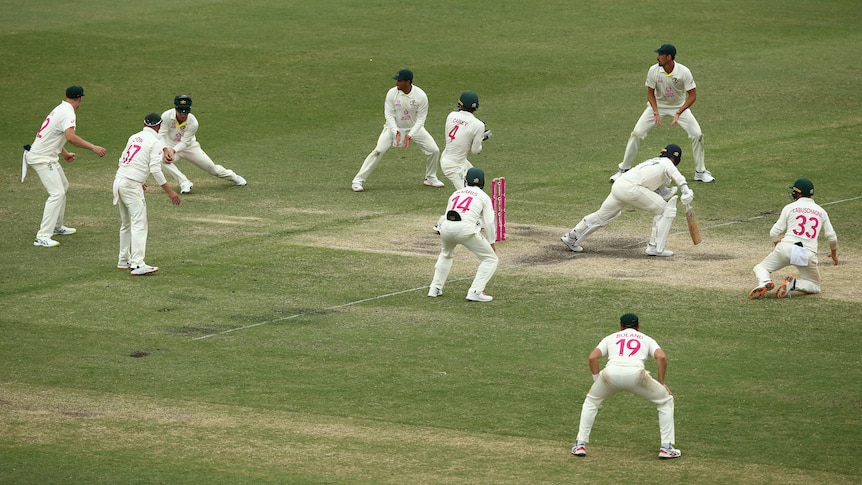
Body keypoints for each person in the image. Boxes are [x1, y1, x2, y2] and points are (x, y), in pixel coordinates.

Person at [572, 313, 680, 459]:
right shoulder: (647, 339)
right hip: (636, 375)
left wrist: (597, 380)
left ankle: (580, 444)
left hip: (610, 374)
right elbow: (661, 357)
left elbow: (592, 357)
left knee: (591, 402)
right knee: (665, 401)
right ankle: (666, 447)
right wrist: (662, 383)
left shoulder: (610, 337)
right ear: (639, 327)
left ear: (621, 327)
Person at [561, 144, 694, 257]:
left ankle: (572, 237)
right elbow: (676, 174)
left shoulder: (653, 162)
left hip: (619, 185)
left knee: (603, 215)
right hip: (632, 189)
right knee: (665, 211)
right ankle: (655, 248)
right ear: (676, 158)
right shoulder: (667, 164)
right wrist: (685, 189)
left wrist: (670, 191)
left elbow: (657, 190)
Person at [610, 44, 714, 184]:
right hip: (657, 107)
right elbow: (650, 93)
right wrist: (655, 112)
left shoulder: (683, 72)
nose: (657, 57)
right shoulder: (653, 70)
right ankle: (623, 170)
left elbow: (692, 95)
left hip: (678, 107)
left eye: (660, 54)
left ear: (669, 57)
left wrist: (679, 112)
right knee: (636, 134)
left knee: (697, 135)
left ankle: (700, 172)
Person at [23, 85, 107, 247]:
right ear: (81, 99)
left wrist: (65, 153)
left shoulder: (60, 109)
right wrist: (93, 147)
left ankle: (56, 227)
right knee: (57, 193)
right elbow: (70, 137)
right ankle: (42, 236)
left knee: (63, 186)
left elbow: (53, 135)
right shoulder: (68, 112)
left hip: (47, 155)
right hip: (42, 158)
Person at [351, 69, 444, 192]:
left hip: (413, 128)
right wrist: (396, 131)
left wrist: (410, 135)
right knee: (378, 150)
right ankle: (357, 181)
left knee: (434, 150)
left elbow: (421, 119)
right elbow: (388, 114)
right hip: (392, 127)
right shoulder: (392, 93)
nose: (396, 84)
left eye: (399, 81)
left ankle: (430, 178)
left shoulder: (420, 96)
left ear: (408, 82)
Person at [114, 113, 181, 276]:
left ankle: (123, 260)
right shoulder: (155, 142)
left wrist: (140, 178)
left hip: (119, 180)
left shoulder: (134, 137)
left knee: (127, 223)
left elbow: (123, 160)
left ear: (144, 123)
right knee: (139, 223)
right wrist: (170, 191)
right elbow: (156, 169)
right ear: (158, 127)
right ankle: (137, 264)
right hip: (131, 184)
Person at [749, 178, 838, 299]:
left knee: (761, 267)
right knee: (815, 286)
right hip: (806, 253)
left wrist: (777, 243)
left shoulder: (789, 207)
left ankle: (764, 282)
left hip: (786, 248)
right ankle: (793, 284)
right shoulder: (821, 211)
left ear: (799, 193)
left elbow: (773, 233)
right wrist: (833, 253)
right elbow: (832, 237)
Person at [428, 167, 498, 302]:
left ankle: (434, 288)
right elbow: (489, 222)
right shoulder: (484, 197)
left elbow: (446, 215)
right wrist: (492, 242)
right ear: (483, 183)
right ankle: (475, 291)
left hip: (446, 227)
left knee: (446, 255)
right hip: (465, 229)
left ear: (466, 180)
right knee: (491, 259)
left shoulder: (456, 193)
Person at [158, 95, 247, 194]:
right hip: (170, 146)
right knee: (161, 160)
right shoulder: (166, 116)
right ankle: (184, 182)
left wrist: (173, 150)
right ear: (175, 109)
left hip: (190, 147)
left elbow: (185, 142)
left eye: (186, 112)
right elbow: (161, 135)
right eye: (180, 112)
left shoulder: (193, 122)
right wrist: (166, 150)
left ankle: (233, 176)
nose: (183, 115)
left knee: (213, 170)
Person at [440, 90, 492, 190]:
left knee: (478, 179)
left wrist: (476, 136)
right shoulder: (478, 125)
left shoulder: (451, 115)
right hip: (453, 167)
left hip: (453, 160)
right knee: (467, 193)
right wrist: (480, 138)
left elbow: (460, 136)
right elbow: (475, 150)